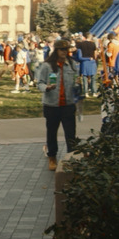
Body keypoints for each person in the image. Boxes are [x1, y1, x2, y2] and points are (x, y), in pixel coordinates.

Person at [37, 39, 83, 171]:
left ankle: (71, 157)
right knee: (51, 132)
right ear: (56, 51)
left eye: (66, 50)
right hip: (51, 105)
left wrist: (78, 84)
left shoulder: (73, 64)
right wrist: (46, 87)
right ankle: (52, 156)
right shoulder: (47, 66)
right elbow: (39, 83)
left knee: (70, 133)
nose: (64, 52)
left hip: (68, 104)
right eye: (62, 50)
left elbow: (76, 83)